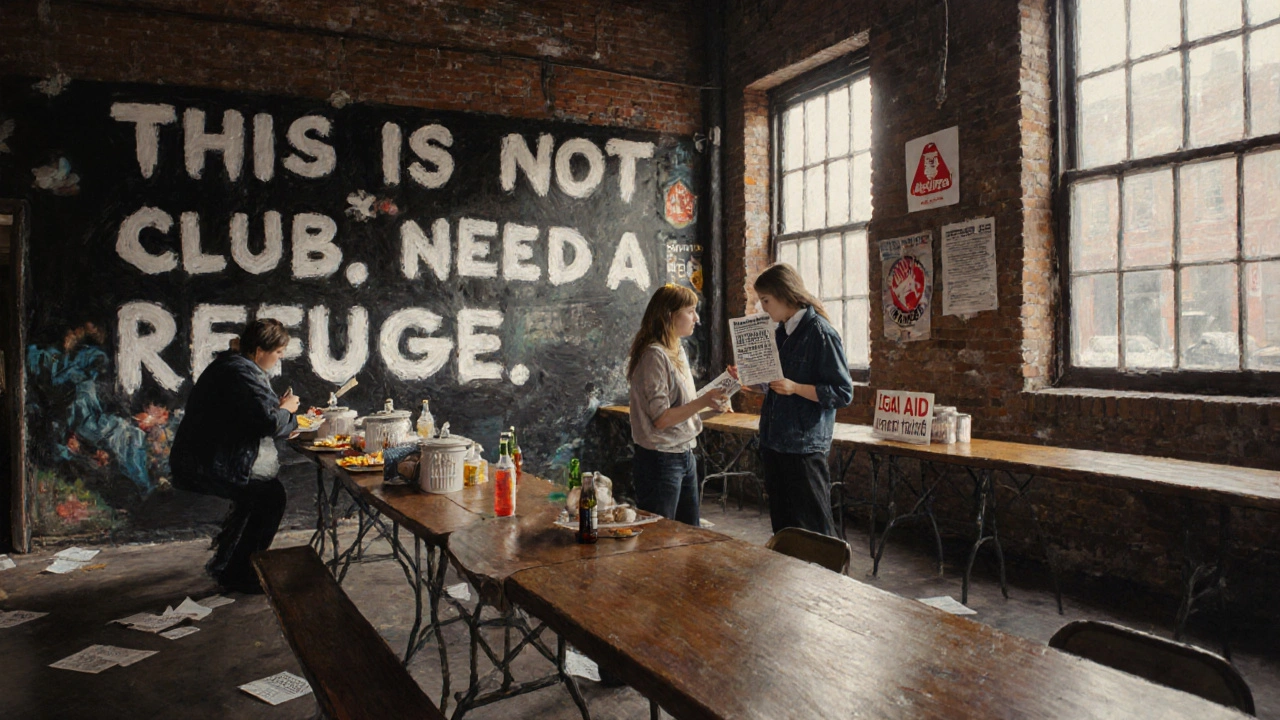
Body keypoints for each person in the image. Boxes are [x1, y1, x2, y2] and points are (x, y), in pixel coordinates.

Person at [170, 319, 300, 593]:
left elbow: (255, 416)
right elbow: (270, 423)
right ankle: (241, 573)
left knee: (258, 496)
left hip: (207, 458)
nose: (280, 359)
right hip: (209, 463)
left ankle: (228, 562)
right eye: (277, 352)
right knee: (270, 496)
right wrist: (287, 410)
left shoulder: (235, 365)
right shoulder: (241, 372)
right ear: (259, 351)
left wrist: (282, 416)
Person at [745, 263, 853, 537]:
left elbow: (842, 392)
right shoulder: (780, 333)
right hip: (774, 441)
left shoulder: (820, 333)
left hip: (803, 447)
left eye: (766, 301)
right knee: (785, 530)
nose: (763, 308)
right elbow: (779, 385)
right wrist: (753, 382)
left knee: (816, 530)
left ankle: (830, 581)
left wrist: (795, 388)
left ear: (784, 294)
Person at [627, 284, 728, 527]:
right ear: (670, 315)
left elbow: (684, 407)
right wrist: (703, 400)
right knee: (659, 539)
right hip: (660, 460)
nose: (697, 318)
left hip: (684, 454)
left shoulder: (676, 349)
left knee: (688, 534)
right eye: (691, 311)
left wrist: (713, 403)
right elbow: (661, 419)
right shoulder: (655, 356)